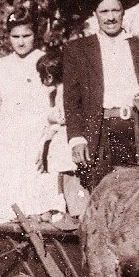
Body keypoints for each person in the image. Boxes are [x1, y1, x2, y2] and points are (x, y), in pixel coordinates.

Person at [62, 0, 139, 188]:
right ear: (95, 14)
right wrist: (77, 139)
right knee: (101, 193)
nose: (110, 17)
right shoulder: (77, 50)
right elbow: (72, 100)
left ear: (123, 11)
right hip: (100, 133)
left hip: (138, 129)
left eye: (115, 10)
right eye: (104, 12)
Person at [0, 10, 65, 222]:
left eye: (26, 36)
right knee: (9, 202)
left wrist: (50, 135)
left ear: (35, 35)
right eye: (15, 36)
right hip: (9, 141)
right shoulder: (1, 66)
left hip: (37, 138)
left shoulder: (45, 61)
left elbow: (57, 101)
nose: (21, 42)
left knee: (38, 198)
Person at [36, 49, 88, 216]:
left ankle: (77, 211)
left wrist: (49, 117)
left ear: (49, 76)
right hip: (61, 139)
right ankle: (67, 210)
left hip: (66, 138)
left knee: (70, 175)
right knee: (62, 176)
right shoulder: (58, 91)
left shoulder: (64, 91)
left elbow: (63, 116)